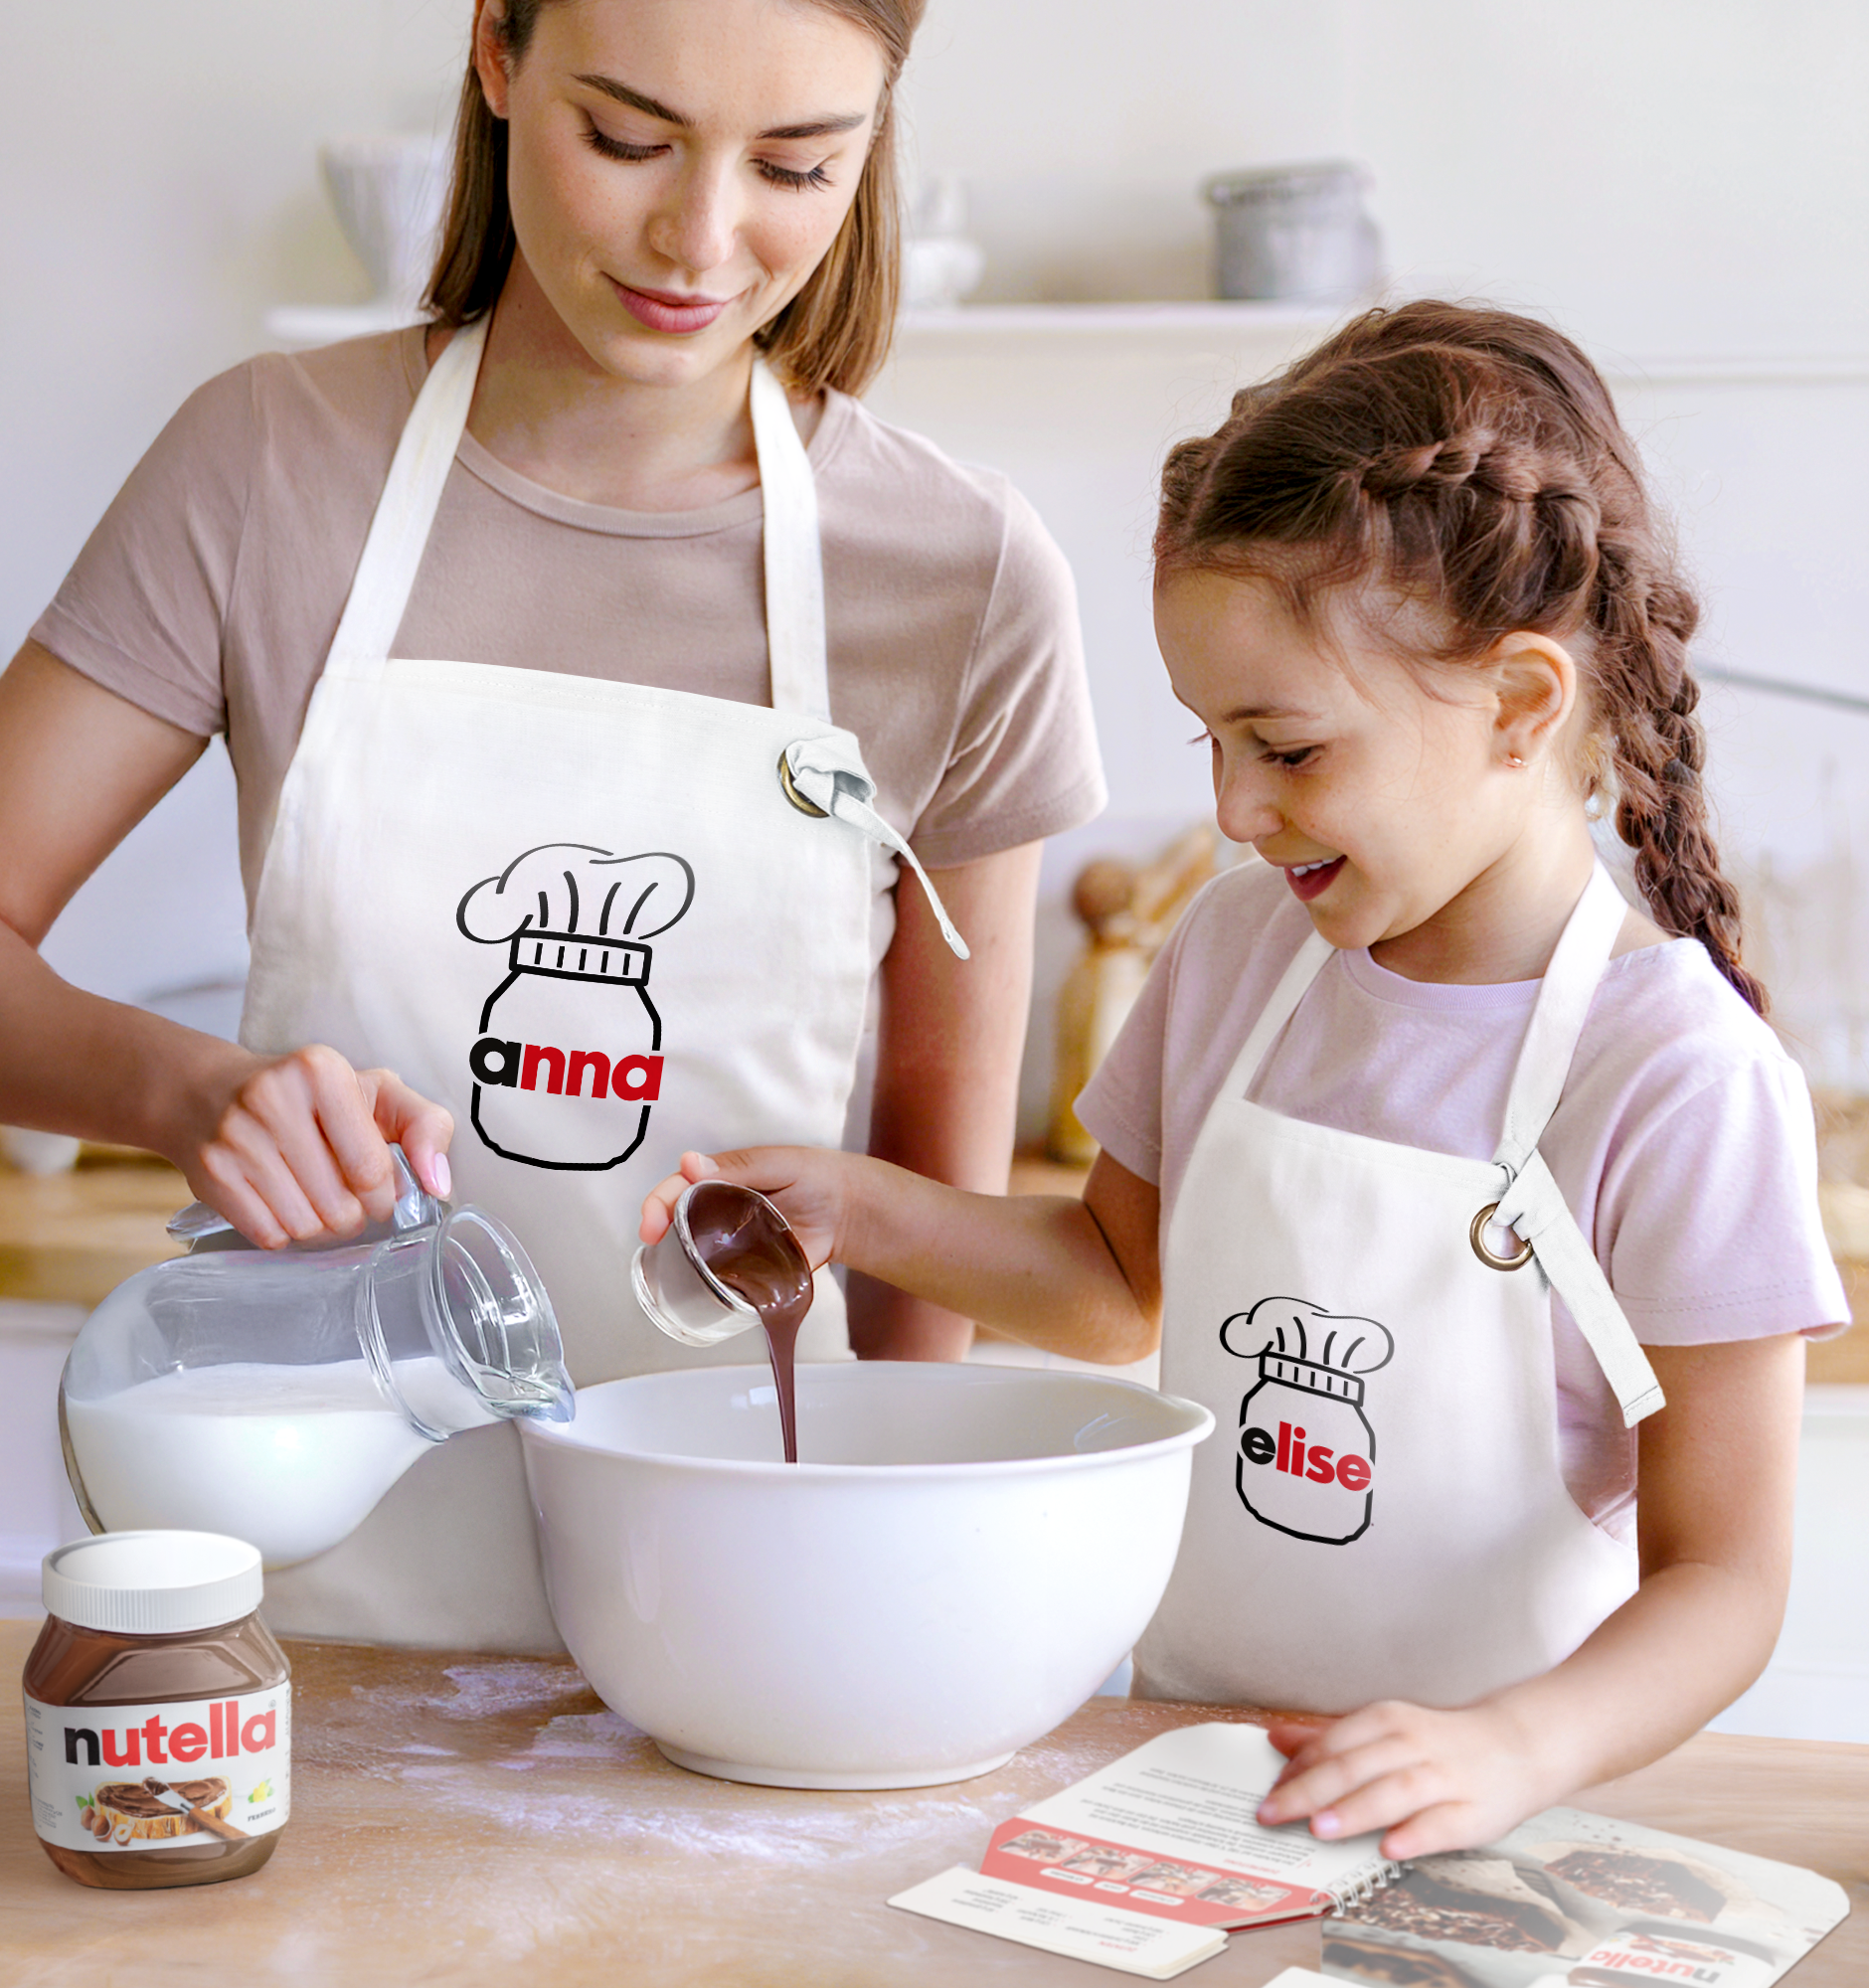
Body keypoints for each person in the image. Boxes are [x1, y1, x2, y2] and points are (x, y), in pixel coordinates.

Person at [0, 0, 1104, 1648]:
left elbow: (927, 1196)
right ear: (497, 56)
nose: (701, 236)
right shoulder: (267, 466)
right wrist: (188, 1094)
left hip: (741, 1586)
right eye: (626, 137)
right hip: (311, 1583)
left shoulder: (961, 575)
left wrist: (848, 1582)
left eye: (799, 167)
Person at [640, 300, 1845, 1857]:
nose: (1231, 808)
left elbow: (1726, 1579)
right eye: (1207, 739)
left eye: (1284, 747)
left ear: (1523, 706)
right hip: (1190, 1789)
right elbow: (1117, 1284)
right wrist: (859, 1209)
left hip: (1504, 1830)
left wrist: (1505, 1752)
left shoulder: (1675, 1079)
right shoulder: (1231, 959)